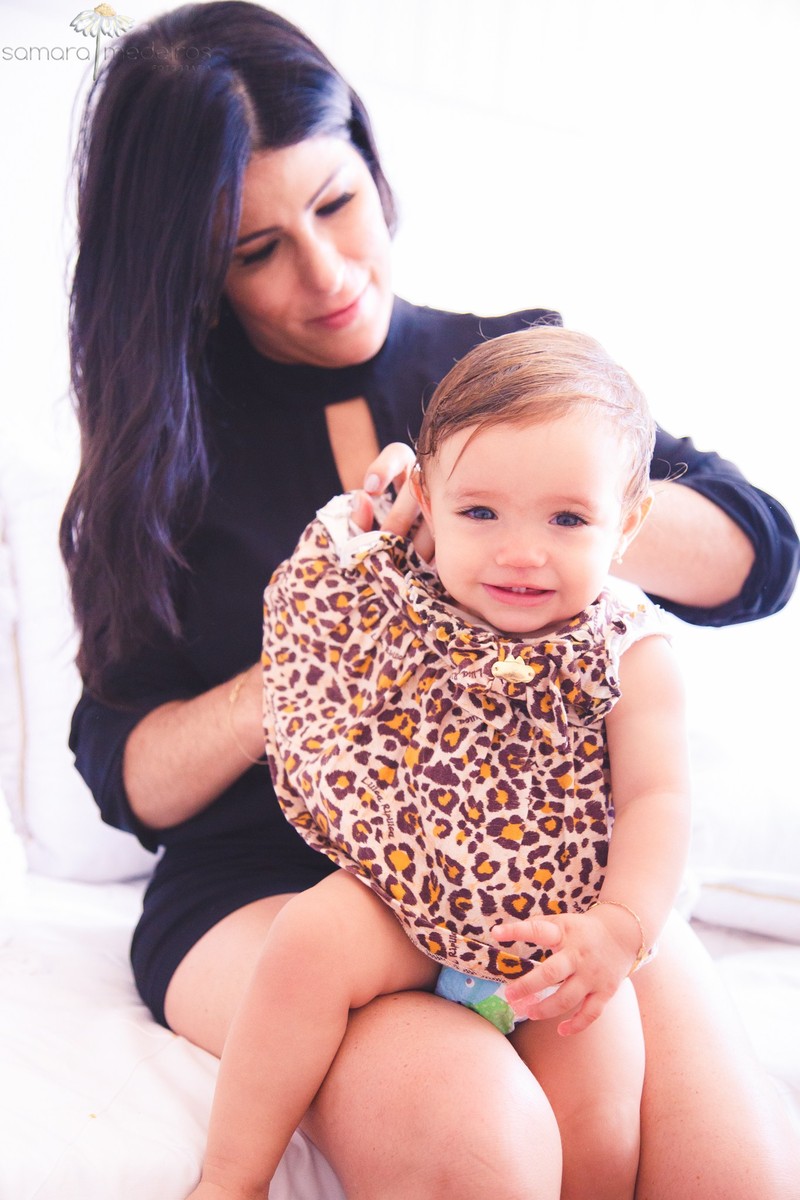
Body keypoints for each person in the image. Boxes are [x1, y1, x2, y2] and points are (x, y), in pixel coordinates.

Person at [60, 4, 799, 1198]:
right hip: (269, 885)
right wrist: (330, 642)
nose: (326, 273)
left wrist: (539, 512)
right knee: (482, 1145)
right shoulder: (157, 469)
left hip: (542, 865)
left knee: (734, 1174)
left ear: (372, 163)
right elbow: (126, 778)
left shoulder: (517, 370)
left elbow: (758, 556)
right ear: (190, 267)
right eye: (255, 250)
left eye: (336, 204)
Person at [187, 326, 690, 1200]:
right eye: (480, 512)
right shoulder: (407, 600)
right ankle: (230, 1178)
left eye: (568, 519)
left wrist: (618, 927)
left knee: (602, 1118)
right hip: (403, 892)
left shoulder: (629, 652)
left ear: (628, 522)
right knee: (305, 940)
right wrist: (368, 521)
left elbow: (659, 799)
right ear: (429, 501)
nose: (520, 551)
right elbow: (326, 605)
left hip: (555, 931)